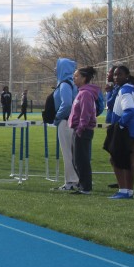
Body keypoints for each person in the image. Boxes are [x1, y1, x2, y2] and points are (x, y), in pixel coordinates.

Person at [105, 66, 134, 199]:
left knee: (116, 159)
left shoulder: (125, 90)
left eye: (119, 74)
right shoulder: (130, 88)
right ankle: (129, 191)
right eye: (115, 75)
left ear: (127, 76)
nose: (116, 77)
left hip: (126, 129)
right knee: (130, 160)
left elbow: (129, 110)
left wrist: (120, 125)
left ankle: (123, 190)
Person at [69, 66, 101, 195]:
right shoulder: (81, 92)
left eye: (76, 76)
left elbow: (86, 113)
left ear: (84, 78)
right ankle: (82, 184)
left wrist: (80, 129)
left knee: (81, 160)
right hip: (78, 129)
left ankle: (85, 187)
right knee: (77, 159)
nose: (74, 78)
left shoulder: (86, 93)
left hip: (82, 130)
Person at [52, 58, 79, 191]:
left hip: (66, 121)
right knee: (74, 152)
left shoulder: (64, 84)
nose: (55, 69)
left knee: (67, 153)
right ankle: (77, 179)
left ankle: (71, 181)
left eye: (57, 67)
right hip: (73, 121)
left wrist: (57, 117)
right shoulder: (73, 83)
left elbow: (67, 104)